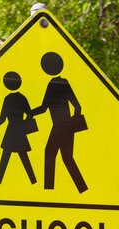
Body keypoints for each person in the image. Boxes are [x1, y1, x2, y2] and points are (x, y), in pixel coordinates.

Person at [31, 52, 88, 193]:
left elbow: (45, 108)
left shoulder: (56, 84)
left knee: (50, 153)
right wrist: (72, 125)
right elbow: (76, 106)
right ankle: (82, 188)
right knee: (67, 158)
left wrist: (72, 123)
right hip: (64, 126)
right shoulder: (58, 83)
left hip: (60, 126)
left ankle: (48, 191)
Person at [0, 71, 37, 184]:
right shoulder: (22, 98)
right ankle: (33, 181)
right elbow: (30, 113)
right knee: (22, 157)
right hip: (20, 131)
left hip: (11, 131)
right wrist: (25, 124)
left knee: (6, 157)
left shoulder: (8, 99)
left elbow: (2, 118)